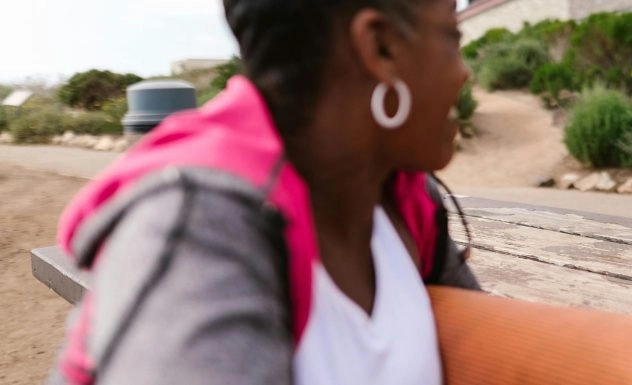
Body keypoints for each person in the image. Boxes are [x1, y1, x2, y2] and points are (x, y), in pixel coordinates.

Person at [49, 0, 477, 383]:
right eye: (452, 36)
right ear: (380, 47)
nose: (464, 72)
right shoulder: (201, 229)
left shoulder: (402, 200)